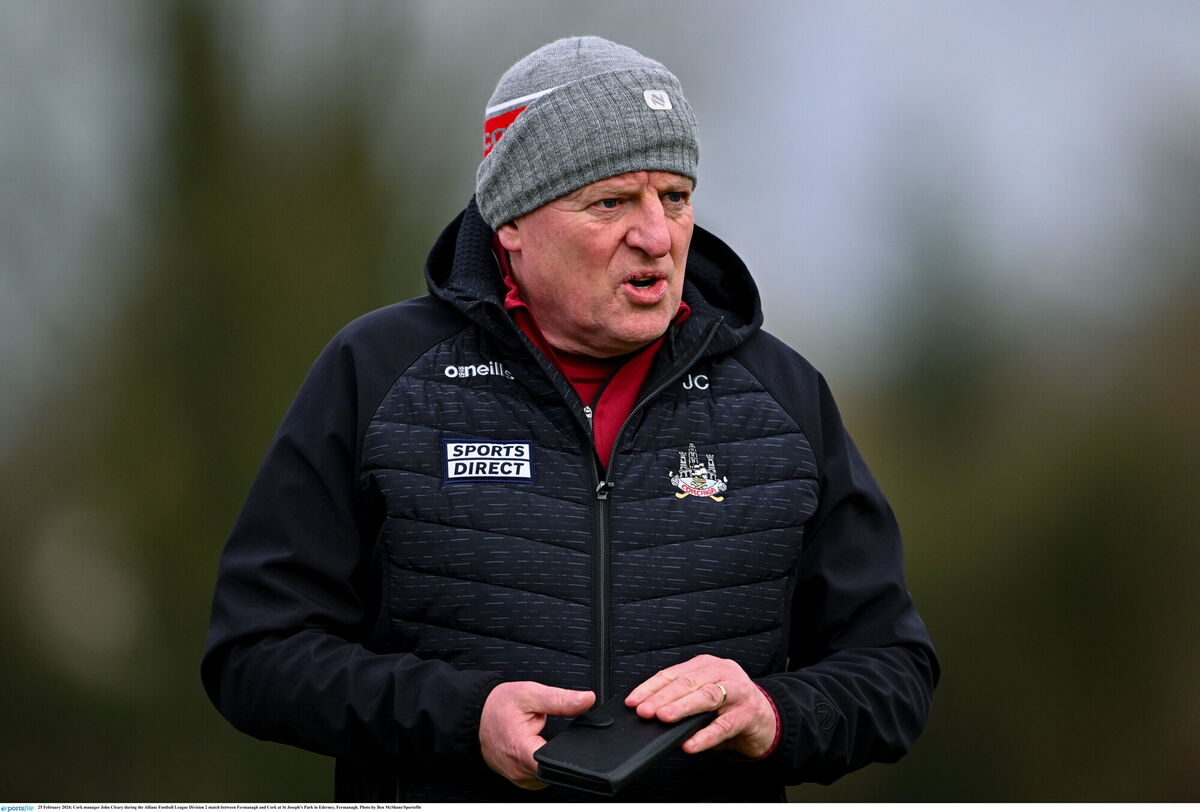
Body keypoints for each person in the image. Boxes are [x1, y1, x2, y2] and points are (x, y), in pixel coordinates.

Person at [201, 36, 938, 802]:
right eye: (611, 202)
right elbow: (255, 654)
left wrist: (774, 714)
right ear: (510, 223)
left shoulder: (783, 397)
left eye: (675, 198)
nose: (656, 235)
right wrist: (463, 718)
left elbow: (894, 672)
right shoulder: (376, 374)